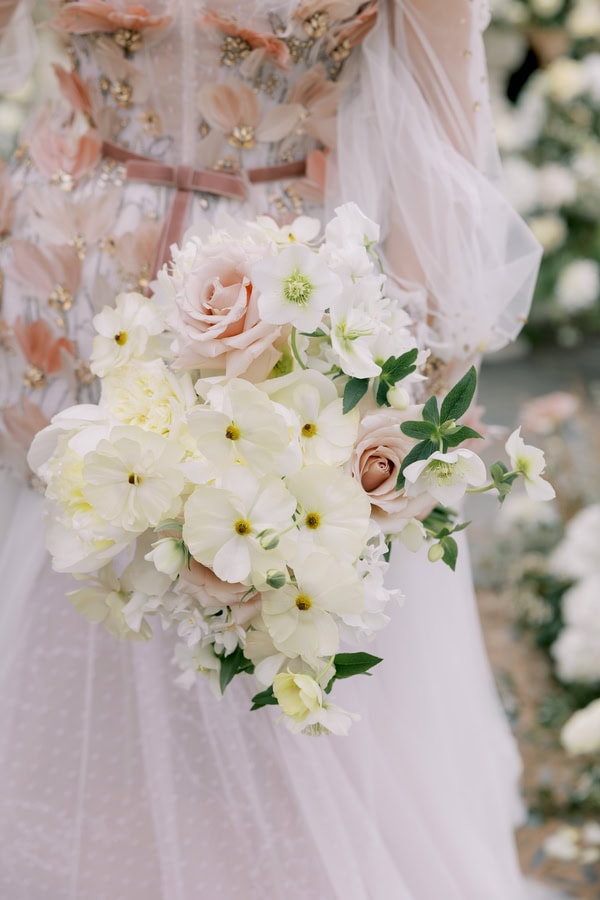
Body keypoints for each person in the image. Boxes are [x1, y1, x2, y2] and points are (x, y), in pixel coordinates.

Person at [0, 1, 548, 897]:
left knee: (286, 609)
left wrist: (408, 387)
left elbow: (440, 119)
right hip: (69, 284)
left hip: (294, 295)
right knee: (79, 580)